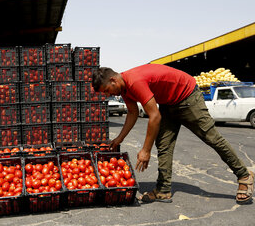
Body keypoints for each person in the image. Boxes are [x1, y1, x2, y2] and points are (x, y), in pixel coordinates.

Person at [92, 64, 254, 204]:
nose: (108, 95)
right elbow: (133, 113)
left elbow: (154, 116)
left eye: (107, 90)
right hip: (169, 103)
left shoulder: (134, 81)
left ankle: (244, 175)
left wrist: (145, 150)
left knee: (212, 138)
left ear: (113, 80)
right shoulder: (124, 89)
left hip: (187, 96)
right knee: (164, 144)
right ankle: (163, 189)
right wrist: (119, 138)